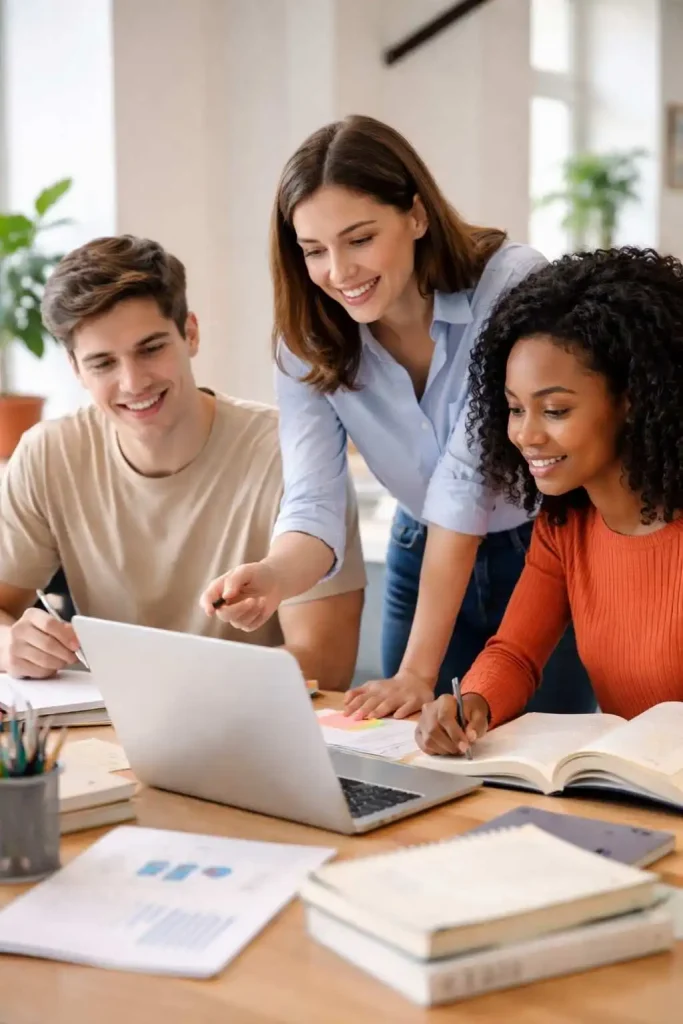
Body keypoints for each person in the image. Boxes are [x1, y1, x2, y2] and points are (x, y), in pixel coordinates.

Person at [200, 114, 594, 719]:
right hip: (421, 551)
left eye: (359, 239)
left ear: (415, 215)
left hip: (545, 551)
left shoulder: (510, 281)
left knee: (547, 767)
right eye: (314, 251)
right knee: (414, 760)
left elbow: (468, 478)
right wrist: (276, 576)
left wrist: (417, 670)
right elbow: (313, 501)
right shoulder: (304, 339)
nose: (339, 272)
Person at [0, 235, 365, 689]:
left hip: (251, 731)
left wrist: (169, 692)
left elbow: (326, 664)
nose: (133, 382)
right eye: (102, 364)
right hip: (105, 733)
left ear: (190, 333)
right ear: (75, 369)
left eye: (151, 349)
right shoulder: (47, 455)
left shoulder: (294, 452)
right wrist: (9, 644)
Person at [416, 246, 683, 757]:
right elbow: (515, 653)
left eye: (555, 410)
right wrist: (472, 703)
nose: (526, 435)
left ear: (634, 400)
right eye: (515, 409)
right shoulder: (566, 527)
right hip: (634, 794)